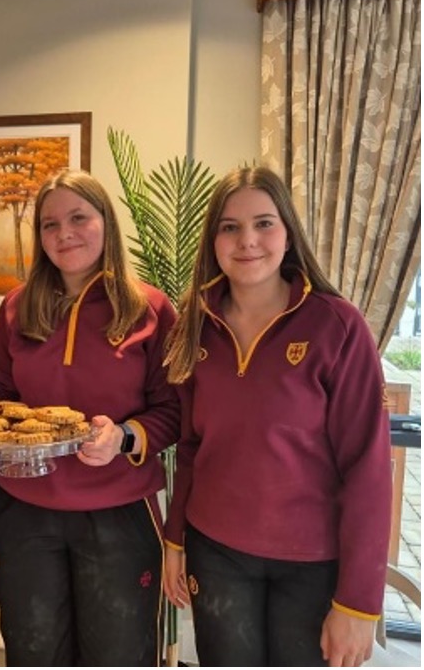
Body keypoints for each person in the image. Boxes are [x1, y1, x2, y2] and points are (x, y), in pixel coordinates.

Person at [162, 166, 392, 667]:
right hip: (216, 552)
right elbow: (191, 445)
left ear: (288, 233)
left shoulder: (337, 325)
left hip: (312, 563)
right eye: (230, 227)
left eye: (264, 223)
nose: (247, 241)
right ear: (214, 241)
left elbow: (368, 467)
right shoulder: (195, 323)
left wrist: (358, 602)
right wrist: (175, 539)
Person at [0, 169, 180, 666]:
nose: (64, 233)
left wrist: (125, 436)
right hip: (24, 509)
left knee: (119, 655)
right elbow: (3, 394)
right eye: (50, 224)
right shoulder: (18, 307)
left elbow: (173, 410)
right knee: (34, 652)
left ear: (104, 223)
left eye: (78, 218)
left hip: (118, 512)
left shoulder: (150, 308)